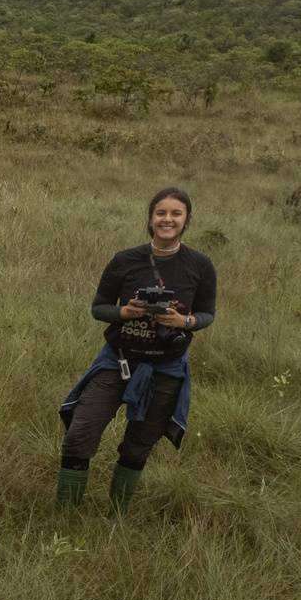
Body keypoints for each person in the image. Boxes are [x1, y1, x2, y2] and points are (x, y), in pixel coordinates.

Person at [57, 187, 217, 511]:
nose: (168, 219)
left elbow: (207, 314)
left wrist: (183, 321)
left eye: (176, 213)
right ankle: (65, 515)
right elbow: (99, 307)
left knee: (138, 446)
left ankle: (116, 516)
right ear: (150, 218)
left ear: (186, 220)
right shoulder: (125, 260)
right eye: (161, 213)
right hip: (118, 361)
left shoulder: (200, 265)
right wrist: (125, 312)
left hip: (166, 369)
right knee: (79, 435)